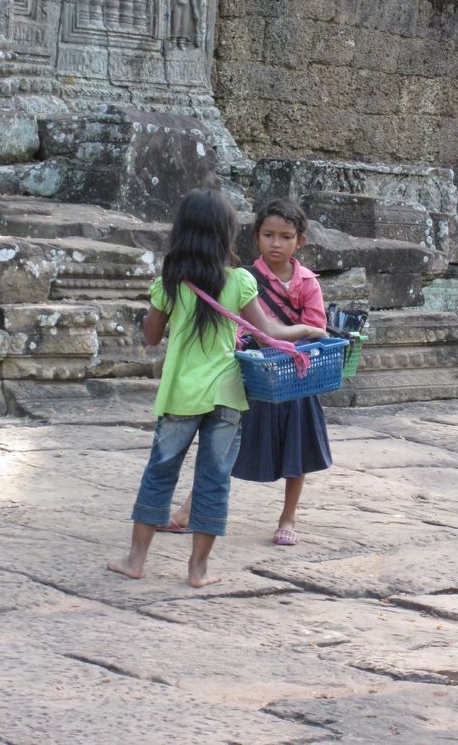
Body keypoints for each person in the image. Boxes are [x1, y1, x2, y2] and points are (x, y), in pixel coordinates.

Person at [107, 190, 327, 588]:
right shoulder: (240, 281)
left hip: (180, 396)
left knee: (160, 472)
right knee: (214, 478)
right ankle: (198, 569)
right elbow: (269, 332)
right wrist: (309, 329)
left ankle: (136, 560)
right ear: (227, 235)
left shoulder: (170, 283)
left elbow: (152, 337)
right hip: (226, 395)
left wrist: (163, 303)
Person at [166, 198, 332, 547]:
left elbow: (316, 328)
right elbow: (235, 326)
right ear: (255, 237)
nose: (276, 243)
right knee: (221, 442)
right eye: (268, 235)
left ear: (299, 241)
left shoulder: (307, 283)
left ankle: (288, 516)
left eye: (286, 236)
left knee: (296, 450)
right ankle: (191, 509)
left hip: (295, 377)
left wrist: (290, 338)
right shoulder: (245, 279)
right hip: (251, 375)